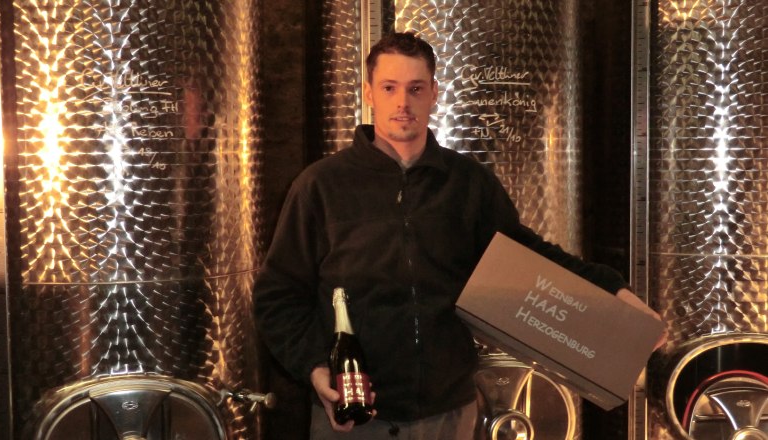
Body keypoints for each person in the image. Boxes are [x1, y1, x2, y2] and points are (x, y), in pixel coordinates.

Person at [253, 31, 666, 439]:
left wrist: (615, 292)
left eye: (415, 88)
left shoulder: (468, 184)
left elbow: (530, 260)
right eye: (389, 87)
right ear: (368, 92)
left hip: (448, 413)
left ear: (434, 93)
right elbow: (279, 295)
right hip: (355, 413)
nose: (402, 102)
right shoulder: (321, 186)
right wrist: (315, 367)